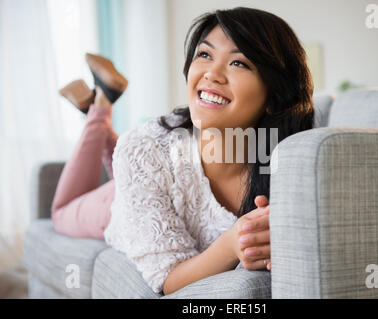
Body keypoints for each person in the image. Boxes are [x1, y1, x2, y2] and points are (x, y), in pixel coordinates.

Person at [51, 7, 315, 296]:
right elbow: (167, 279)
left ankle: (98, 107)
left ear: (274, 97)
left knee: (142, 158)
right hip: (121, 204)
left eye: (238, 63)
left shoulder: (291, 163)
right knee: (61, 212)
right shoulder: (145, 148)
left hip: (159, 173)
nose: (212, 74)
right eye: (204, 55)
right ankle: (100, 107)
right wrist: (231, 244)